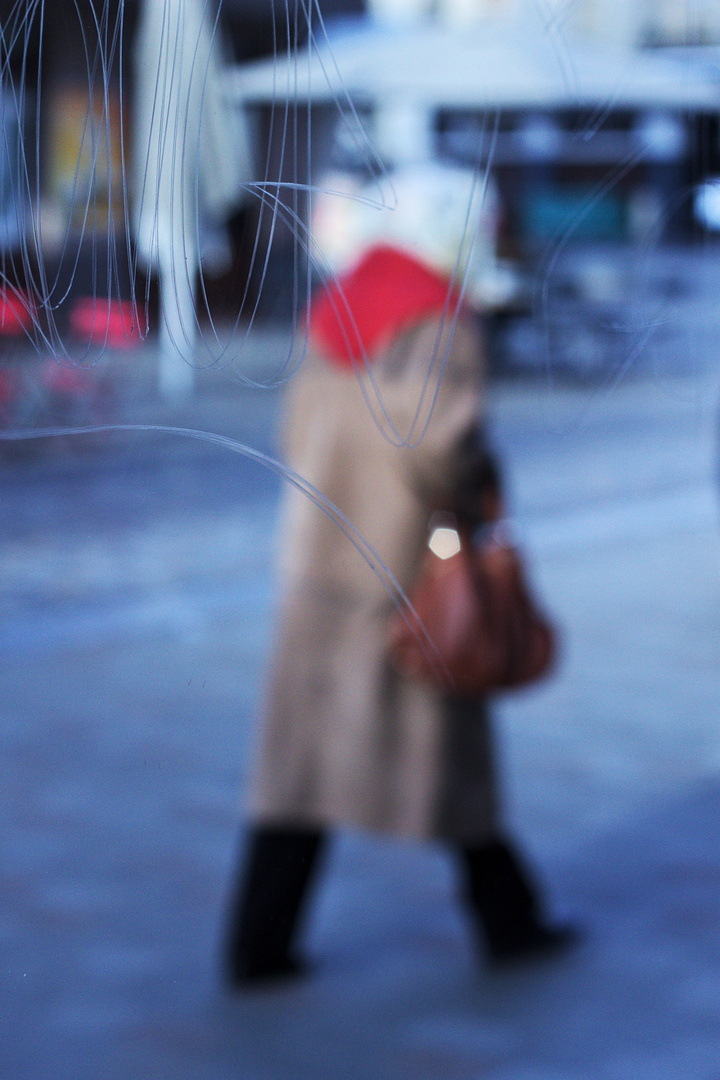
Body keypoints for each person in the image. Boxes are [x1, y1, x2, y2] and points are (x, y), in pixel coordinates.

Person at [222, 176, 574, 987]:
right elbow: (438, 448)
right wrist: (484, 462)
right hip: (405, 578)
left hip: (318, 571)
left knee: (298, 774)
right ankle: (510, 924)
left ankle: (256, 948)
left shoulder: (341, 302)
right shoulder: (440, 321)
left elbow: (292, 427)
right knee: (451, 765)